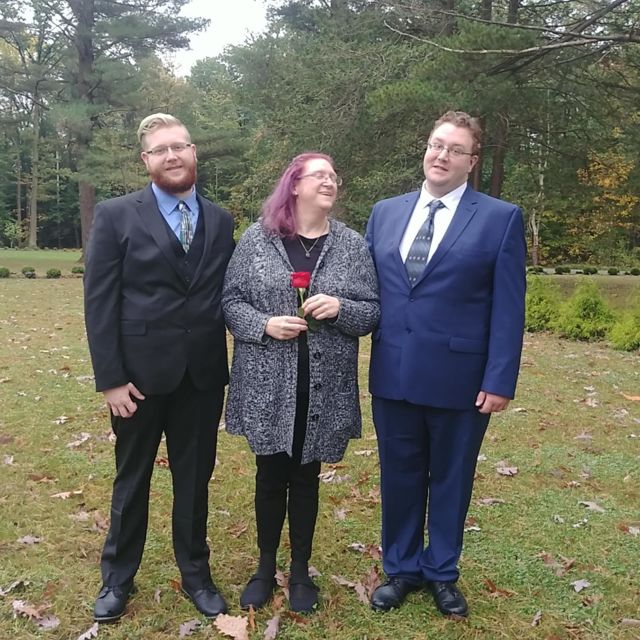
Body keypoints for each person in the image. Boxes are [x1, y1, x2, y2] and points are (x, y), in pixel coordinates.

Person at [365, 111, 526, 617]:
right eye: (437, 145)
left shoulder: (500, 218)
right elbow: (366, 289)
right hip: (393, 372)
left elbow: (509, 308)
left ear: (471, 162)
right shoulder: (385, 213)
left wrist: (500, 379)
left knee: (452, 478)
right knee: (400, 475)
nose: (442, 155)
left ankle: (441, 572)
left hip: (462, 379)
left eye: (456, 150)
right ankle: (401, 569)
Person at [83, 113, 235, 622]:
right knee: (132, 480)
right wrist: (110, 379)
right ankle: (117, 578)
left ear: (194, 152)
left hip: (202, 377)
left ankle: (196, 574)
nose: (172, 156)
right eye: (160, 149)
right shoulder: (116, 215)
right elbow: (99, 302)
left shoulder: (220, 220)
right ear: (145, 160)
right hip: (137, 380)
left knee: (194, 482)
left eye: (179, 146)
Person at [222, 152, 379, 614]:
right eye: (319, 175)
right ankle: (264, 568)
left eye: (334, 176)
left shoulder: (351, 245)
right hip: (267, 384)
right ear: (294, 185)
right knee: (270, 474)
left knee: (307, 477)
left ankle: (300, 571)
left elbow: (372, 311)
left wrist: (341, 309)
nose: (330, 182)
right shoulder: (258, 239)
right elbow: (230, 301)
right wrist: (264, 325)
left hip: (323, 386)